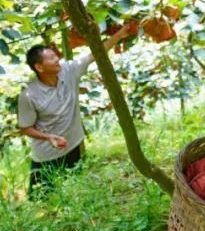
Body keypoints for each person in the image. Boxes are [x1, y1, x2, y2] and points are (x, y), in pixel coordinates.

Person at [18, 24, 132, 194]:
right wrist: (48, 137)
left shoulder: (68, 70)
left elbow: (95, 53)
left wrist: (119, 34)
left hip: (73, 146)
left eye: (55, 55)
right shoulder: (28, 95)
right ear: (39, 67)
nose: (57, 58)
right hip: (46, 157)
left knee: (76, 193)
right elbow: (25, 128)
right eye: (50, 58)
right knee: (44, 202)